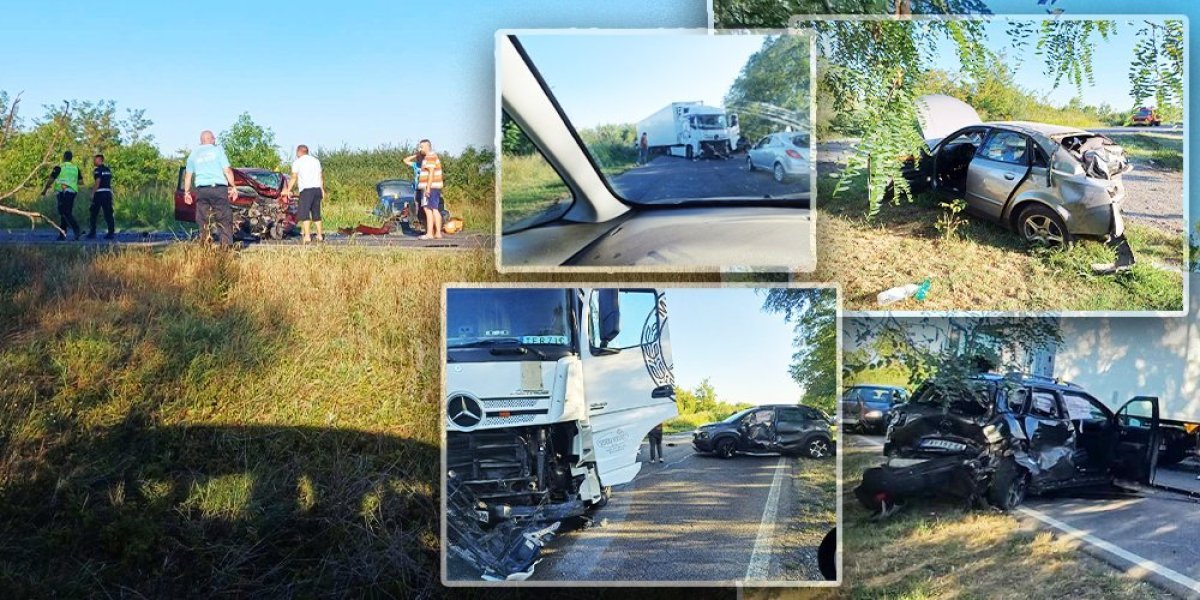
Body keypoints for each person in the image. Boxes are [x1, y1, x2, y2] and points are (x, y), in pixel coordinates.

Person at [181, 130, 238, 247]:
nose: (215, 141)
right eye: (214, 139)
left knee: (203, 220)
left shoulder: (193, 154)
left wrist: (186, 192)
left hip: (202, 190)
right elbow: (227, 170)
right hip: (218, 189)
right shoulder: (218, 150)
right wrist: (233, 187)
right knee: (223, 218)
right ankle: (226, 248)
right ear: (211, 139)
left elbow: (188, 175)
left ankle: (205, 246)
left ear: (201, 141)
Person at [282, 145, 324, 243]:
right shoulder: (316, 161)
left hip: (306, 191)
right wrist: (322, 189)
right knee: (316, 214)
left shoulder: (298, 162)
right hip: (317, 190)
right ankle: (320, 235)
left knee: (305, 214)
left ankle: (307, 236)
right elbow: (320, 176)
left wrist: (288, 190)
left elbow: (293, 177)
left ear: (299, 152)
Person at [40, 151, 84, 241]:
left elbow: (51, 179)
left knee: (64, 212)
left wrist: (45, 190)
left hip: (62, 192)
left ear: (64, 157)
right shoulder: (75, 168)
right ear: (71, 158)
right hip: (72, 192)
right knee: (66, 213)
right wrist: (71, 182)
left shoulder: (59, 167)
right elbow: (80, 182)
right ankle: (62, 234)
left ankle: (77, 230)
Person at [413, 139, 443, 240]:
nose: (420, 149)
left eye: (421, 147)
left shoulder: (430, 157)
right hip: (434, 186)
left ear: (427, 147)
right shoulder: (431, 156)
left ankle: (430, 233)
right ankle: (438, 233)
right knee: (434, 208)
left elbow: (431, 173)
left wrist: (428, 188)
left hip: (429, 187)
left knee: (428, 209)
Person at [88, 154, 115, 240]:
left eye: (95, 160)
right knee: (108, 213)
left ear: (99, 160)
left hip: (99, 193)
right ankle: (111, 233)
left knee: (93, 213)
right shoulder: (107, 170)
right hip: (107, 193)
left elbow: (98, 181)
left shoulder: (97, 170)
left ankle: (92, 233)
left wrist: (92, 193)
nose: (93, 161)